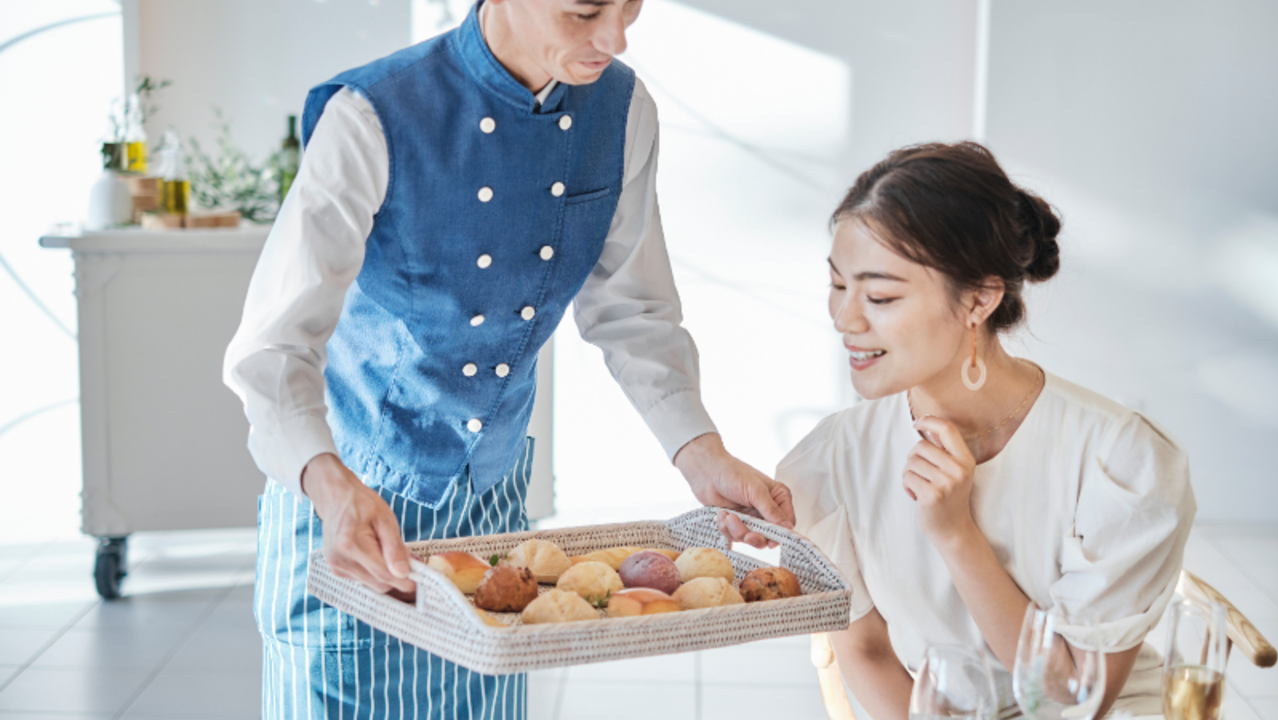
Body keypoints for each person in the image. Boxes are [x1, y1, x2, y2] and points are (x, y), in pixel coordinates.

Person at [223, 0, 794, 717]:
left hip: (492, 509)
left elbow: (631, 309)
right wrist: (329, 483)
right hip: (348, 501)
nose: (616, 38)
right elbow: (273, 345)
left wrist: (700, 451)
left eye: (631, 4)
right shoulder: (371, 114)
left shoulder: (621, 111)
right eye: (584, 11)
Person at [777, 142, 1195, 719]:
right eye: (837, 285)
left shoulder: (1119, 459)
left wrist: (956, 534)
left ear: (979, 299)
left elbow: (1075, 694)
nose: (845, 319)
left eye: (879, 296)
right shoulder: (831, 461)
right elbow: (868, 653)